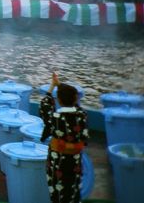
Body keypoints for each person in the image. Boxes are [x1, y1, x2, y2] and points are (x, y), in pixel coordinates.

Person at [40, 72, 89, 203]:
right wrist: (60, 84)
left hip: (58, 161)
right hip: (74, 160)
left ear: (59, 100)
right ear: (75, 99)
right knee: (73, 187)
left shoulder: (56, 118)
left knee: (58, 188)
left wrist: (53, 86)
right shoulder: (82, 115)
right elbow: (75, 106)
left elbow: (44, 106)